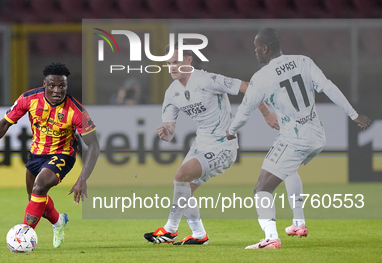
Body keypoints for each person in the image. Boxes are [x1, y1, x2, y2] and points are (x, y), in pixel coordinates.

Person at [226, 28, 371, 249]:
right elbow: (328, 87)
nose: (255, 52)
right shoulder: (303, 61)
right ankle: (298, 223)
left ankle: (271, 238)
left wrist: (230, 130)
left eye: (256, 48)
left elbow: (245, 111)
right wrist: (353, 114)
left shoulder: (262, 77)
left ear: (265, 48)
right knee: (288, 169)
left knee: (261, 189)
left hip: (294, 139)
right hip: (317, 136)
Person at [144, 42, 278, 246]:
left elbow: (247, 87)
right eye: (169, 63)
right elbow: (170, 131)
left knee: (180, 176)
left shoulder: (206, 79)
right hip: (201, 145)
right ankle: (199, 236)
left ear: (189, 61)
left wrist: (267, 113)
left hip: (223, 147)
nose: (172, 67)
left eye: (177, 62)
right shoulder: (172, 93)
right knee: (184, 190)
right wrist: (165, 133)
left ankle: (170, 230)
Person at [0, 62, 100, 248]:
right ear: (44, 84)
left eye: (62, 86)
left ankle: (22, 238)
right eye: (52, 85)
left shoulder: (76, 111)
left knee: (40, 187)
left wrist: (82, 178)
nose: (57, 90)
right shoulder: (29, 99)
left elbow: (94, 146)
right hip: (36, 155)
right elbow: (5, 123)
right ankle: (58, 222)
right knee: (36, 201)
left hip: (63, 154)